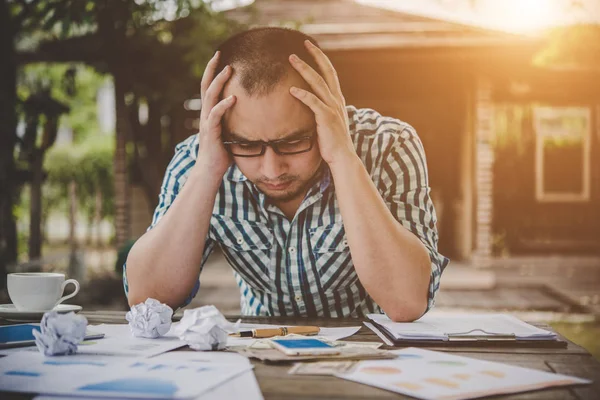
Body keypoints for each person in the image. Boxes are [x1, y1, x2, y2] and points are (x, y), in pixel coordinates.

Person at [124, 27, 448, 321]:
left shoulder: (388, 144)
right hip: (258, 358)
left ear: (327, 111)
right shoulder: (200, 156)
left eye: (293, 141)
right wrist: (208, 169)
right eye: (247, 145)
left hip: (373, 358)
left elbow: (408, 301)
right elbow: (147, 298)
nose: (271, 170)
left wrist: (344, 157)